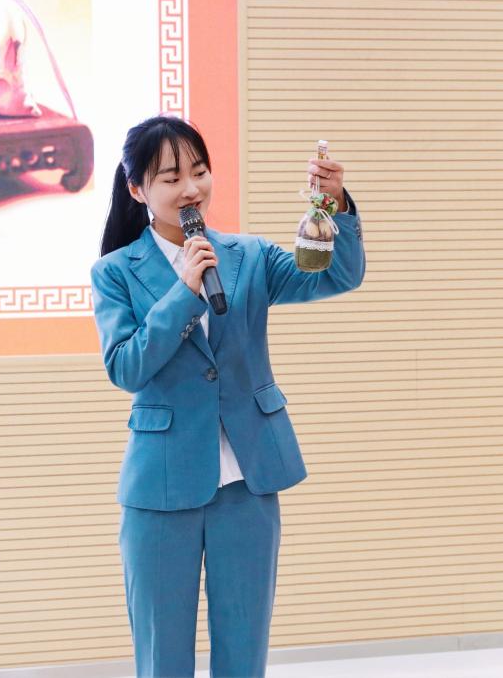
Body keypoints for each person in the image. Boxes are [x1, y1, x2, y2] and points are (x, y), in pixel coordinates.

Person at [90, 115, 365, 678]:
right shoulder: (115, 272)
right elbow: (126, 367)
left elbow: (337, 276)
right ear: (138, 190)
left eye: (200, 171)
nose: (191, 188)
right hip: (161, 485)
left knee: (244, 648)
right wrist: (184, 292)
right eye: (171, 178)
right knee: (162, 654)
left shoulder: (249, 256)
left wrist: (335, 206)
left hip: (249, 476)